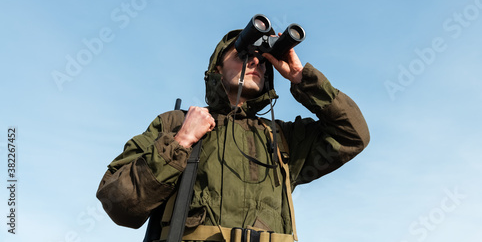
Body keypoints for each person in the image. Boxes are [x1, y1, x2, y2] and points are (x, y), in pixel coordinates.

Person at [96, 28, 370, 242]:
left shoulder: (283, 138)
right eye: (242, 56)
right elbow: (118, 203)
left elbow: (353, 135)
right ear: (217, 68)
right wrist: (180, 143)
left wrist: (302, 78)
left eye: (263, 60)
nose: (255, 62)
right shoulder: (175, 124)